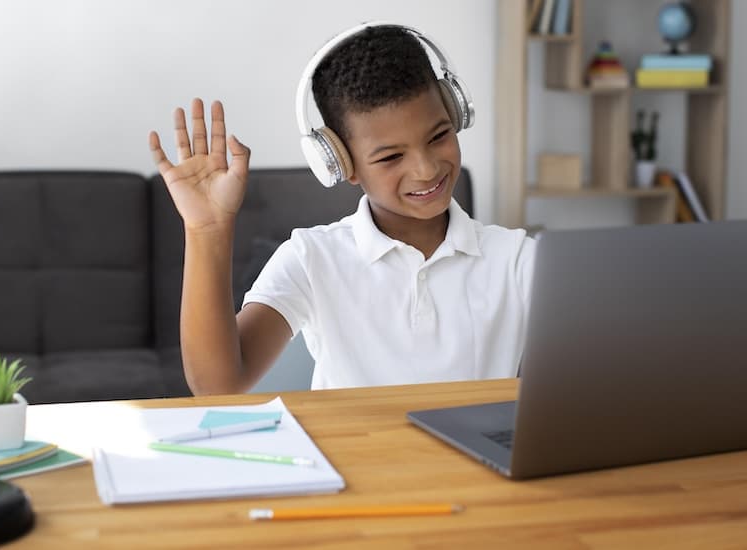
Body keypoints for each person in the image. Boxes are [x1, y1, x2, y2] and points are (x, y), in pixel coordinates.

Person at [149, 23, 536, 395]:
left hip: (471, 465)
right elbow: (217, 384)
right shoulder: (312, 258)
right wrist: (207, 230)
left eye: (438, 136)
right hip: (349, 461)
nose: (426, 169)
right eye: (390, 157)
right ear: (340, 164)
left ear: (455, 115)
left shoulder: (518, 259)